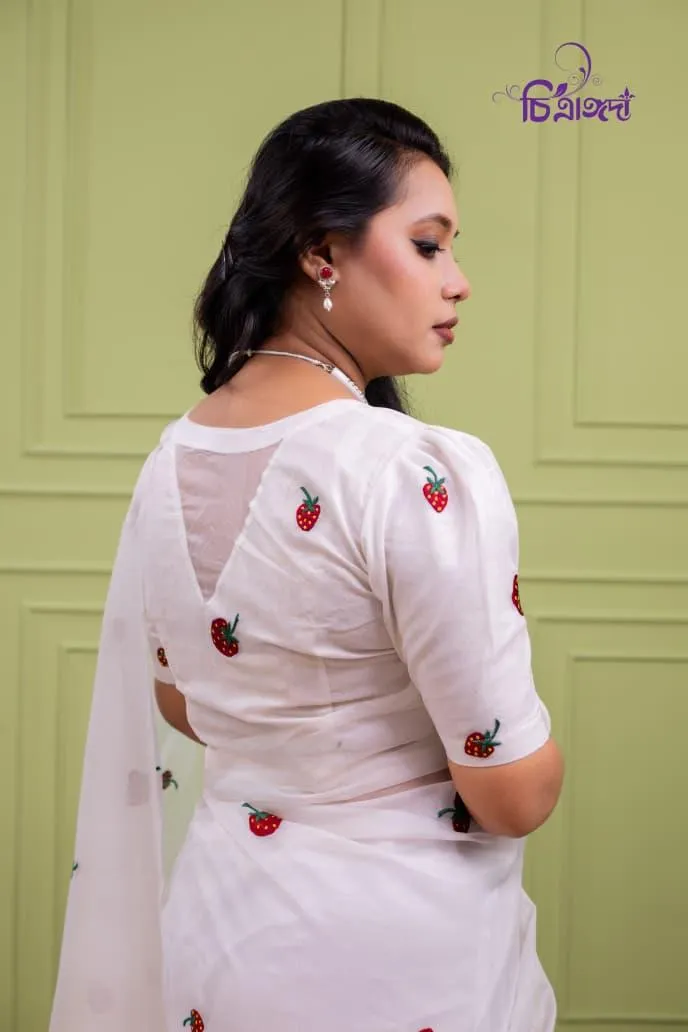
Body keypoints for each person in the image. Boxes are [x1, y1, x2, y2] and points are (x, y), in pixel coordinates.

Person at [49, 97, 564, 1032]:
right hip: (396, 961)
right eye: (428, 245)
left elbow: (183, 706)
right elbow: (513, 791)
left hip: (222, 938)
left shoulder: (174, 459)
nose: (459, 283)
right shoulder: (410, 470)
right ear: (323, 254)